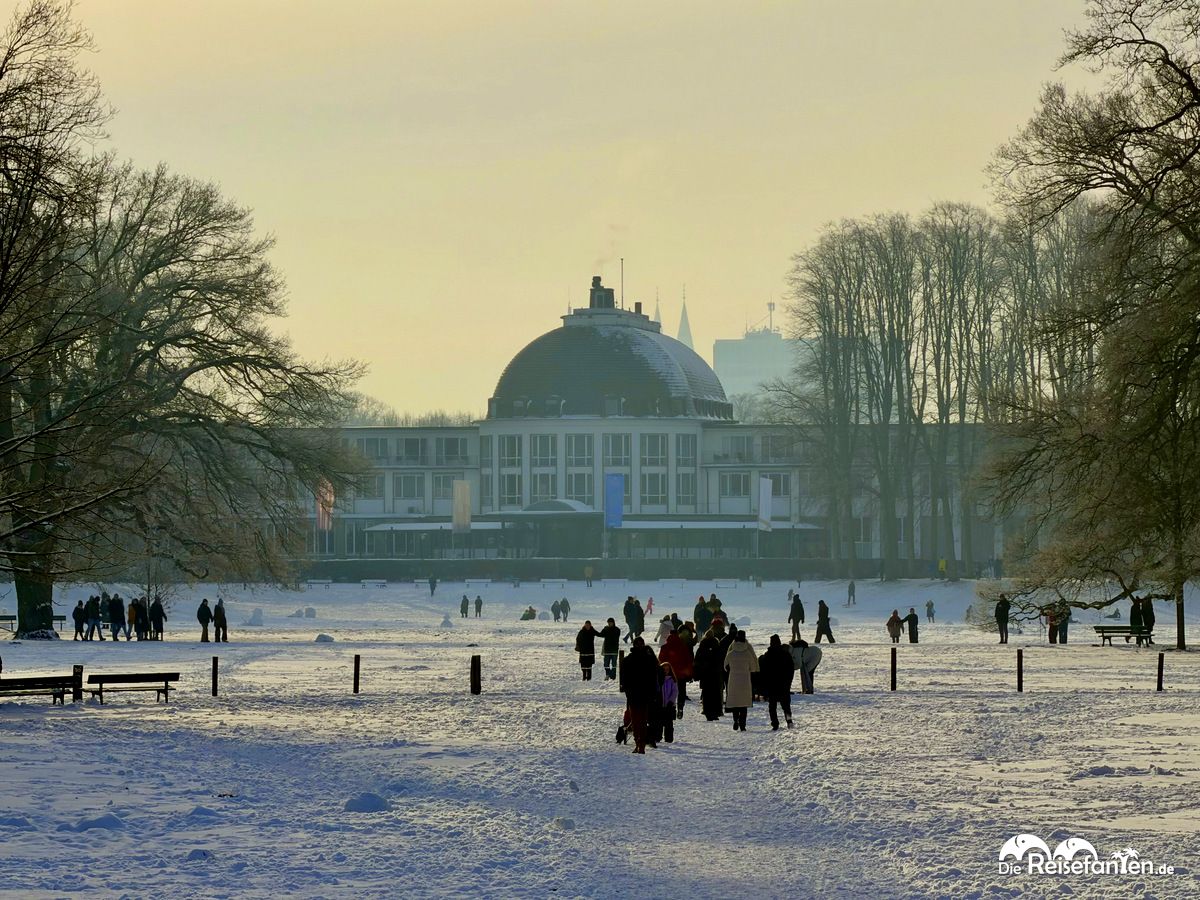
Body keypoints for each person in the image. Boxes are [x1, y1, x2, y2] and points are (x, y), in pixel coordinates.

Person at [620, 638, 662, 754]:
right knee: (643, 720)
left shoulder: (628, 660)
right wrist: (653, 693)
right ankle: (641, 743)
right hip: (645, 694)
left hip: (633, 694)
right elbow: (654, 678)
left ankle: (638, 742)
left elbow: (623, 679)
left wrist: (627, 690)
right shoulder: (649, 660)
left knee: (635, 720)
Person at [723, 630, 758, 731]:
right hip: (745, 680)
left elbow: (725, 666)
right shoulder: (748, 652)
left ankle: (735, 720)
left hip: (733, 679)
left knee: (735, 702)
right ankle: (742, 725)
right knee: (743, 703)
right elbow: (753, 667)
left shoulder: (731, 652)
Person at [759, 634, 795, 730]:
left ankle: (775, 724)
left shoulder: (767, 655)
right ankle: (789, 720)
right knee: (786, 706)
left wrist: (764, 685)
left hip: (772, 685)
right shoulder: (786, 654)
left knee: (772, 706)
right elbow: (791, 669)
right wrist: (789, 682)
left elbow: (763, 671)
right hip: (784, 685)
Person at [658, 629, 694, 718]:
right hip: (681, 673)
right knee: (681, 691)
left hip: (668, 673)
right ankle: (680, 707)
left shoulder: (665, 647)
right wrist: (689, 672)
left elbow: (661, 660)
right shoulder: (683, 646)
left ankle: (667, 706)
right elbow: (688, 660)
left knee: (668, 691)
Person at [693, 626, 725, 721]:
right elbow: (721, 661)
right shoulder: (717, 647)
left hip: (705, 675)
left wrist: (697, 674)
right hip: (715, 675)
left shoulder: (701, 648)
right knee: (715, 694)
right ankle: (715, 713)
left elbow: (696, 662)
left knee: (706, 695)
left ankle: (707, 712)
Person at [658, 663, 679, 744]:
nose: (666, 671)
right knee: (659, 723)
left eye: (667, 669)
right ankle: (658, 737)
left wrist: (671, 701)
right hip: (660, 705)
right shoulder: (659, 679)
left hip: (669, 706)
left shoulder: (672, 680)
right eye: (664, 669)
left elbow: (675, 691)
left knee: (669, 724)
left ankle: (669, 738)